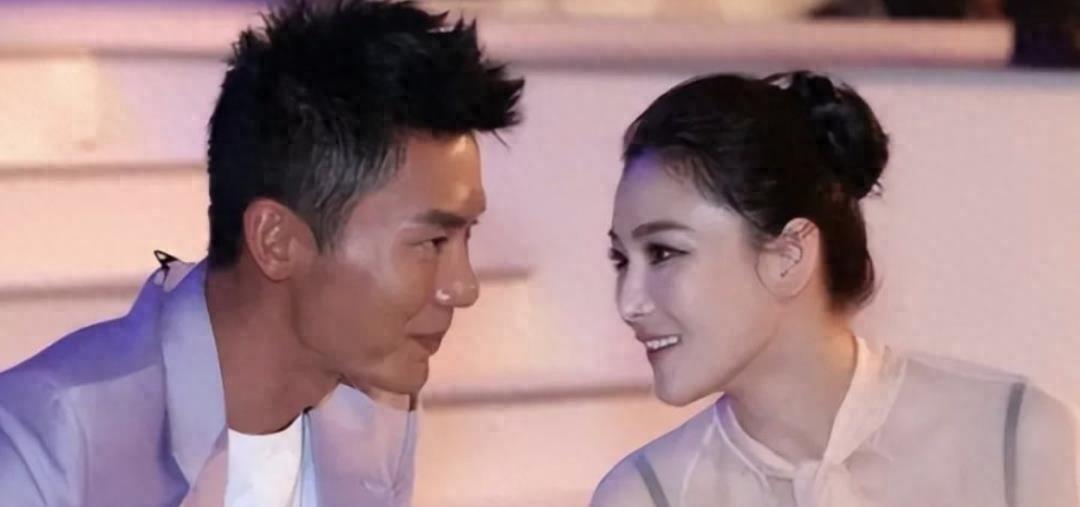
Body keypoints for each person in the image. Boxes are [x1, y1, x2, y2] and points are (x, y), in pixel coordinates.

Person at [0, 1, 523, 505]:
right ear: (276, 240)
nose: (464, 287)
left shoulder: (375, 410)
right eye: (432, 242)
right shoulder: (48, 444)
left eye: (467, 237)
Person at [592, 71, 1078, 506]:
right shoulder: (646, 495)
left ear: (788, 256)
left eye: (663, 252)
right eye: (621, 259)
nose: (629, 302)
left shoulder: (1012, 439)